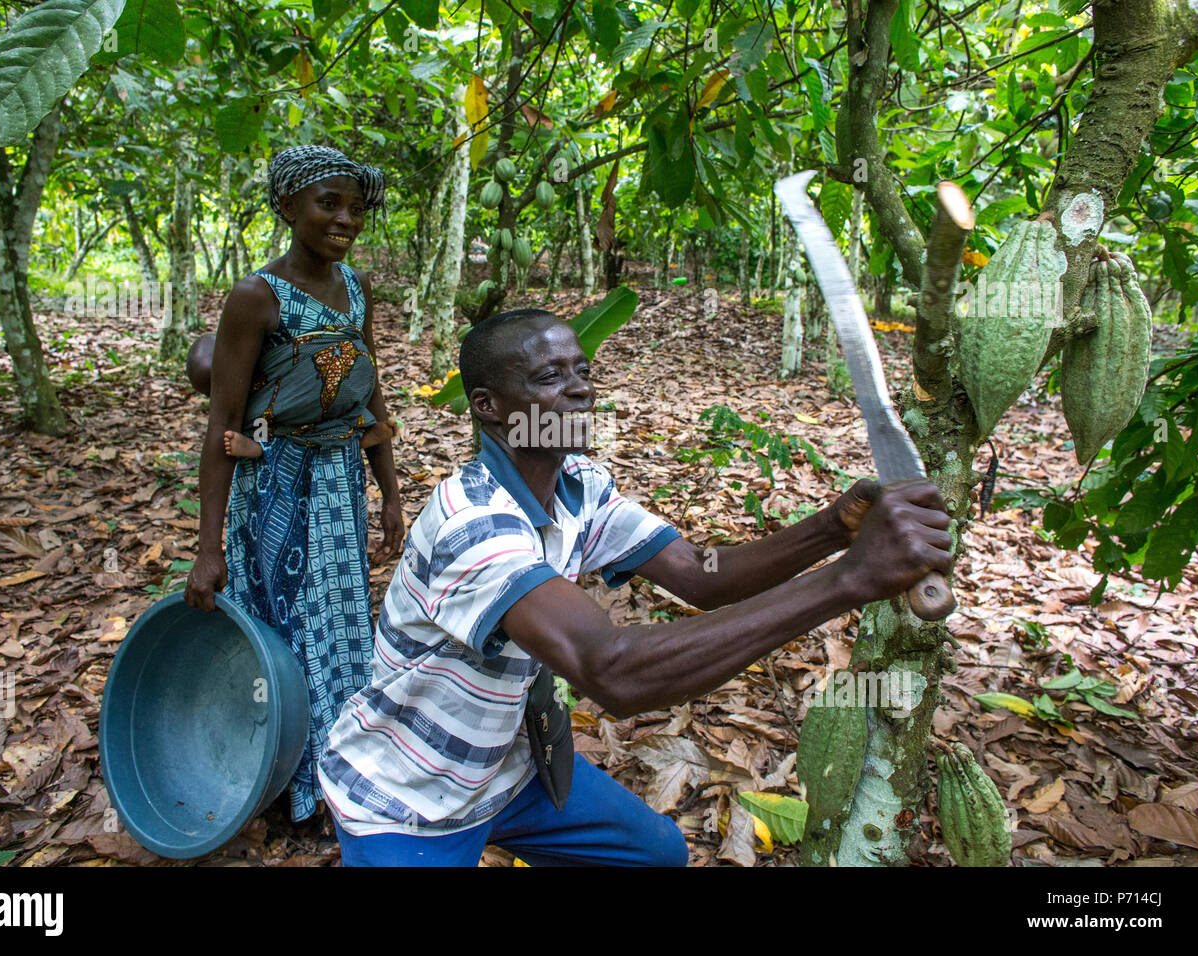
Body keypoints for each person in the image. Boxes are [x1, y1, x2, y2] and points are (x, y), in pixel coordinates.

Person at [317, 308, 954, 866]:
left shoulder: (579, 485)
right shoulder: (471, 524)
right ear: (487, 405)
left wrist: (833, 528)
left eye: (583, 371)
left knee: (655, 854)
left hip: (507, 770)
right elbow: (614, 671)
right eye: (549, 378)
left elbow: (703, 575)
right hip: (409, 793)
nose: (579, 392)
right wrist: (850, 580)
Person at [184, 145, 405, 824]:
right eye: (328, 204)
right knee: (283, 620)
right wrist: (208, 547)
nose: (345, 220)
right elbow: (223, 422)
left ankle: (338, 770)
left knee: (340, 625)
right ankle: (282, 777)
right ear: (287, 208)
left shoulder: (356, 288)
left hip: (339, 480)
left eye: (355, 209)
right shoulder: (258, 296)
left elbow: (370, 400)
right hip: (273, 483)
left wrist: (390, 492)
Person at [185, 331, 398, 459]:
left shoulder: (257, 357)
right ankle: (256, 449)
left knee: (335, 415)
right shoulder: (237, 406)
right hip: (272, 433)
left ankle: (360, 437)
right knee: (254, 427)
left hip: (308, 413)